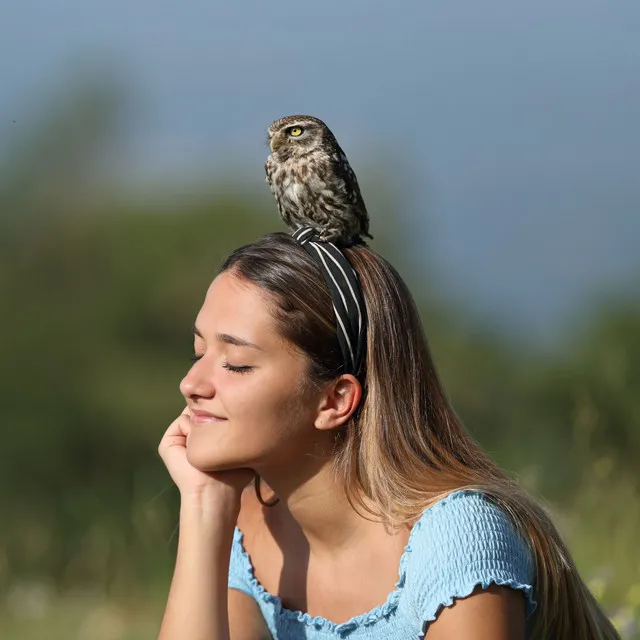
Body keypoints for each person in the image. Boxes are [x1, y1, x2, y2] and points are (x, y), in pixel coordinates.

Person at [157, 230, 619, 640]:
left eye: (236, 364)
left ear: (335, 400)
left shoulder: (457, 543)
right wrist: (202, 508)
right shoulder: (250, 530)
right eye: (198, 351)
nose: (191, 384)